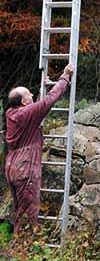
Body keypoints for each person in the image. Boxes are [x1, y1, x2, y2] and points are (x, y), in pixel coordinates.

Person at [4, 64, 73, 235]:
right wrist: (65, 76)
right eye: (29, 94)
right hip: (25, 166)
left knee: (20, 209)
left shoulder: (11, 113)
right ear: (24, 102)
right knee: (28, 214)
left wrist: (50, 84)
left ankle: (20, 250)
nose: (33, 95)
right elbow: (49, 100)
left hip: (12, 165)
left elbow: (38, 107)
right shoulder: (26, 113)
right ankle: (24, 253)